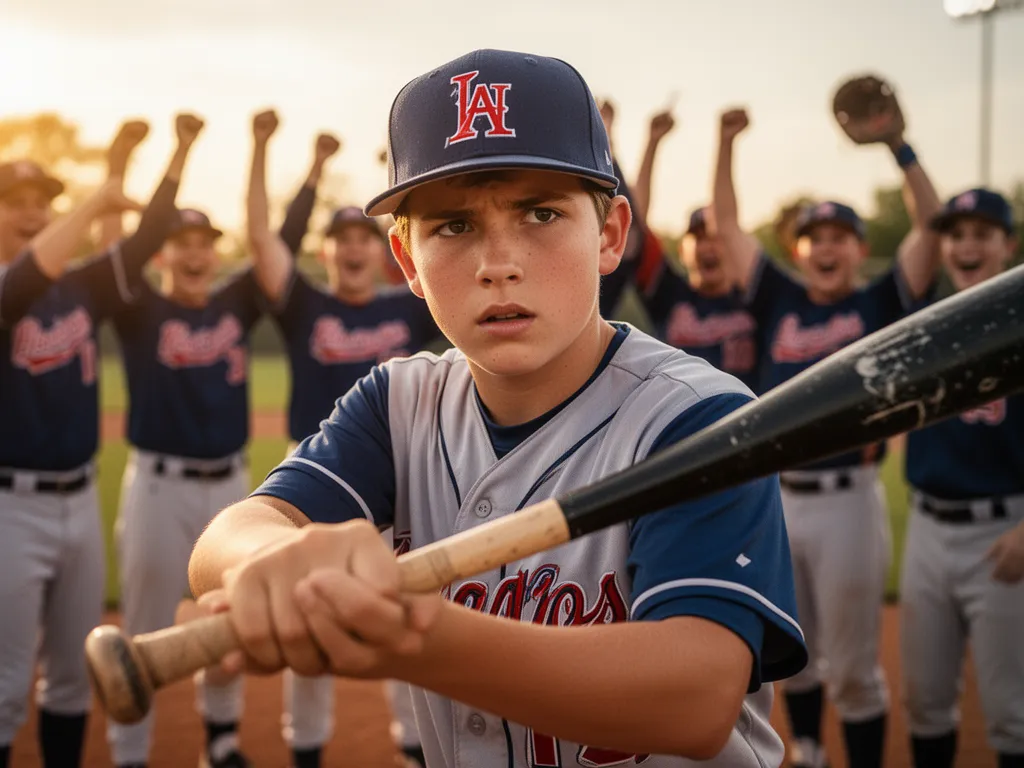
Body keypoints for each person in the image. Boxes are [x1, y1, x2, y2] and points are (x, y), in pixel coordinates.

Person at [188, 48, 807, 768]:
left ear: (609, 235)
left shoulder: (697, 418)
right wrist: (277, 556)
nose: (497, 262)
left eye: (541, 213)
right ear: (408, 261)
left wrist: (410, 632)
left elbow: (694, 697)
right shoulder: (399, 400)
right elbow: (225, 542)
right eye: (452, 226)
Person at [712, 103, 942, 768]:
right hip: (777, 500)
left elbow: (931, 224)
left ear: (859, 249)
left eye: (842, 235)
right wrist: (726, 145)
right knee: (794, 655)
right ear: (799, 249)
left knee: (855, 668)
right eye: (816, 236)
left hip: (848, 498)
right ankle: (810, 752)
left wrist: (899, 145)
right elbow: (725, 224)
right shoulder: (777, 298)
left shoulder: (879, 303)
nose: (828, 246)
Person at [245, 110, 440, 767]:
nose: (354, 245)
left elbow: (432, 253)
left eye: (366, 234)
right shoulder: (307, 307)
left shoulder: (407, 308)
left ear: (384, 246)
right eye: (341, 236)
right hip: (319, 481)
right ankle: (306, 751)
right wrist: (291, 161)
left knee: (409, 617)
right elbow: (260, 242)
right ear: (325, 251)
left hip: (405, 480)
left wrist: (406, 170)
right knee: (310, 623)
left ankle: (416, 749)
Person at [0, 117, 190, 768]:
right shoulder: (7, 290)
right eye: (14, 202)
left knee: (75, 675)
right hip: (9, 508)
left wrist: (175, 156)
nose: (30, 212)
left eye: (39, 202)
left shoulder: (82, 286)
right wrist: (98, 194)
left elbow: (149, 239)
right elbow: (23, 282)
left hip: (79, 499)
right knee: (2, 689)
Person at [100, 114, 275, 768]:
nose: (197, 251)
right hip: (157, 487)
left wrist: (258, 148)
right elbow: (116, 240)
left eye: (206, 241)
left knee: (226, 620)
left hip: (230, 488)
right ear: (164, 252)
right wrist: (149, 156)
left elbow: (270, 241)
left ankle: (221, 739)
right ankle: (129, 750)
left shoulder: (236, 302)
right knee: (142, 626)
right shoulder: (139, 308)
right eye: (183, 241)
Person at [900, 188, 1024, 768]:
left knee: (1013, 714)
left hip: (1003, 534)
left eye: (982, 233)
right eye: (955, 234)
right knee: (924, 702)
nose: (966, 245)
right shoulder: (925, 324)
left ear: (1008, 245)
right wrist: (899, 148)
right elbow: (920, 218)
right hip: (927, 528)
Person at [602, 103, 759, 392]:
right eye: (698, 237)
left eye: (715, 238)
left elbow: (726, 222)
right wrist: (650, 143)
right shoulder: (670, 295)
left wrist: (726, 142)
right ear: (683, 249)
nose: (708, 247)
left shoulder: (757, 298)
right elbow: (632, 226)